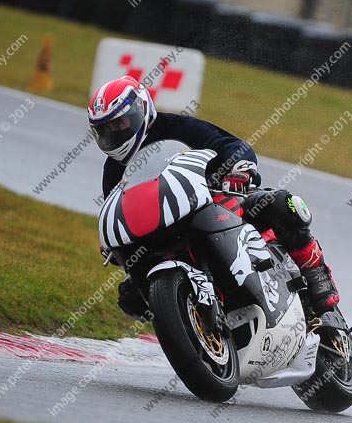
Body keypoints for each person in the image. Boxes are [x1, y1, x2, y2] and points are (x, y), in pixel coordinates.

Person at [89, 75, 339, 315]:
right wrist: (113, 241)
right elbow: (117, 209)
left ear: (141, 109)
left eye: (120, 123)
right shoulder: (113, 169)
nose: (115, 132)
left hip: (214, 199)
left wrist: (238, 169)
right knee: (132, 293)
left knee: (280, 204)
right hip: (165, 231)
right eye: (106, 129)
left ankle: (315, 272)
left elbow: (232, 146)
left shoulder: (176, 126)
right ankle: (189, 319)